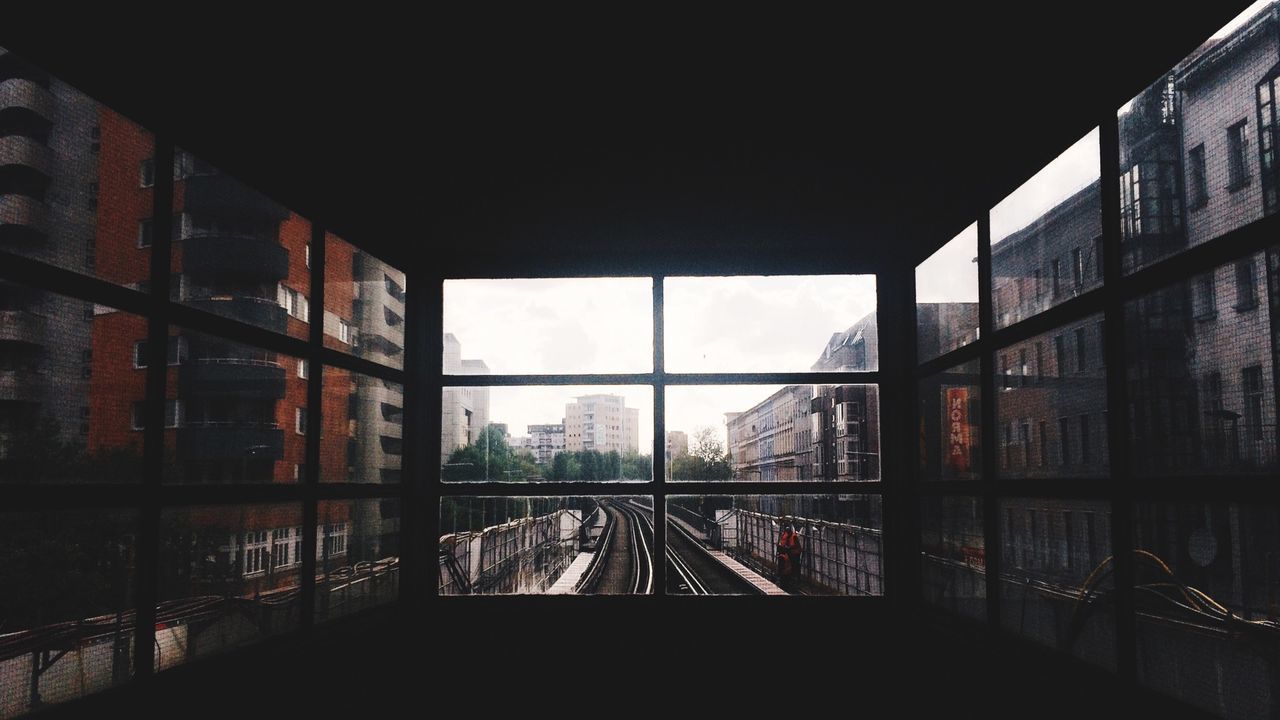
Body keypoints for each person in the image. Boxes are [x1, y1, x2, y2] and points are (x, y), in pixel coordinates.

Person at [776, 520, 803, 592]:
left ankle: (794, 579)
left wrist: (789, 548)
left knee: (794, 566)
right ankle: (787, 578)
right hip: (788, 552)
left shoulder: (793, 536)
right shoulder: (785, 534)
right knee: (786, 564)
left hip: (795, 553)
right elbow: (782, 542)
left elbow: (796, 546)